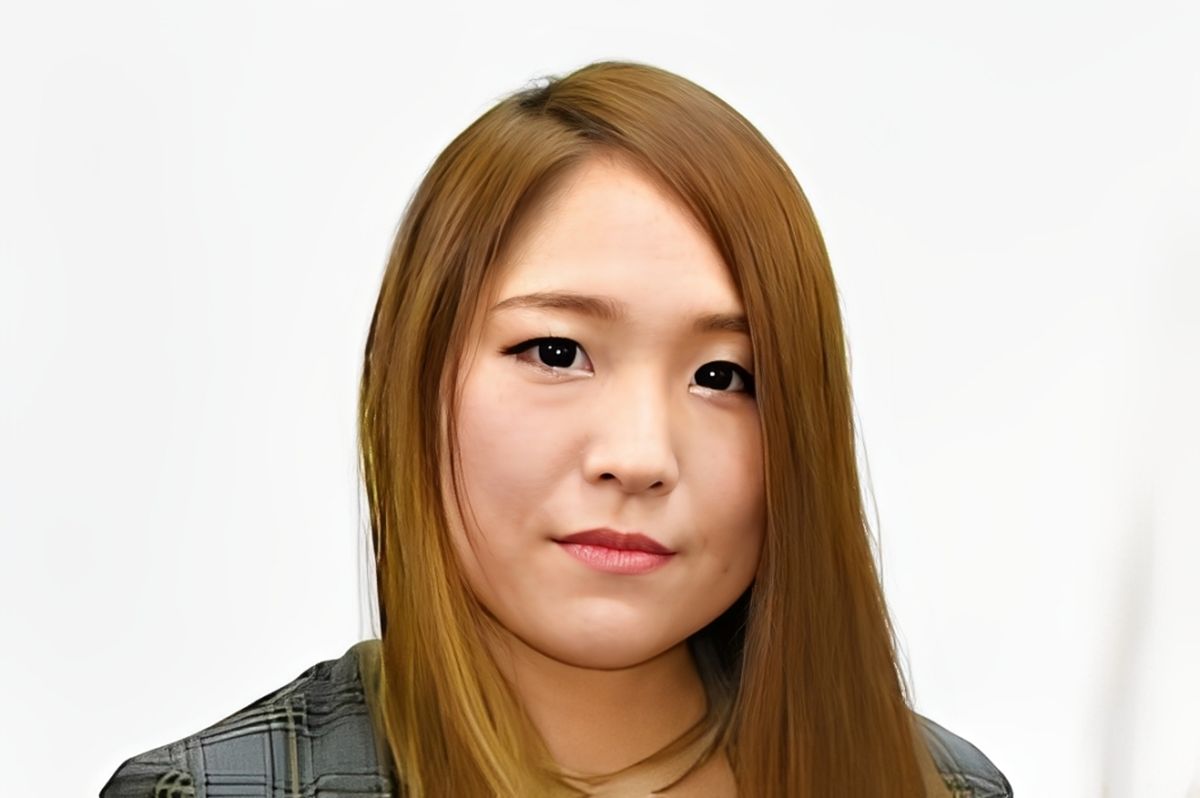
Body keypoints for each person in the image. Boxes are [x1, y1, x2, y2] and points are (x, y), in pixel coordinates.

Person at [100, 60, 1012, 797]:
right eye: (556, 352)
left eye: (722, 376)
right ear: (413, 380)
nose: (638, 458)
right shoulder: (222, 789)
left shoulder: (941, 787)